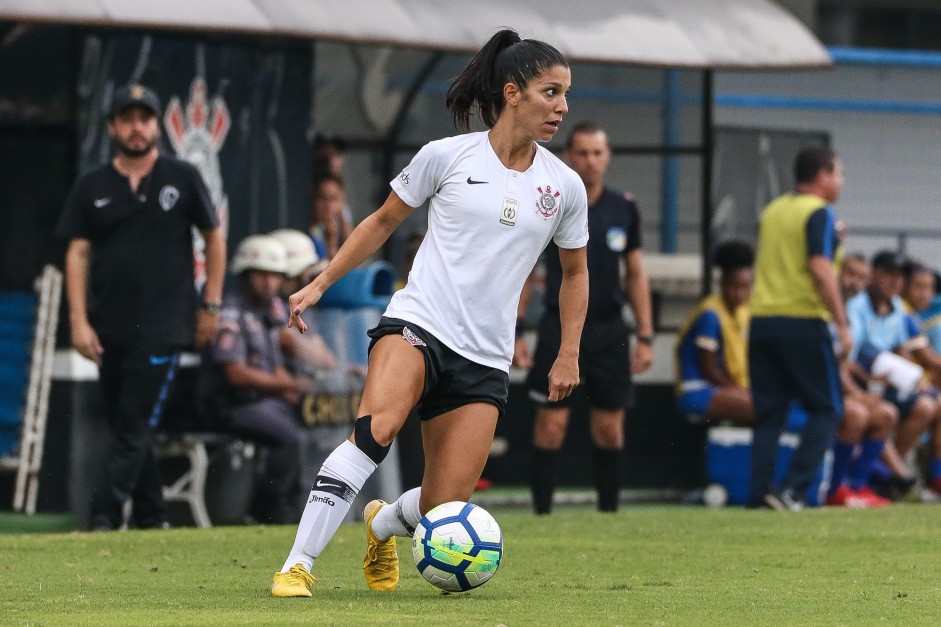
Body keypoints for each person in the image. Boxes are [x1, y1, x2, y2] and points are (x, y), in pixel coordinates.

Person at [270, 28, 588, 597]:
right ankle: (298, 564)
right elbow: (381, 222)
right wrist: (318, 284)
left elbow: (576, 272)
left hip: (485, 355)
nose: (562, 107)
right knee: (376, 431)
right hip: (418, 325)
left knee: (445, 505)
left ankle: (382, 523)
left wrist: (566, 353)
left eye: (566, 94)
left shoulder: (563, 186)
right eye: (551, 92)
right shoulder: (445, 156)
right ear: (513, 93)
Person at [56, 83, 225, 530]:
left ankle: (104, 518)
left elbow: (214, 238)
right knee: (130, 427)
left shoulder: (182, 177)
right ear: (112, 126)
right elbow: (76, 252)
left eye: (145, 118)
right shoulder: (92, 184)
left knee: (132, 425)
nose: (137, 128)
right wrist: (77, 321)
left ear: (157, 126)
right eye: (127, 119)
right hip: (107, 327)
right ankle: (152, 517)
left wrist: (211, 303)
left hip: (164, 326)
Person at [520, 121, 652, 515]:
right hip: (557, 328)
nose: (590, 161)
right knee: (550, 426)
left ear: (607, 157)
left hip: (609, 330)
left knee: (610, 429)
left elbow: (636, 274)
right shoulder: (549, 202)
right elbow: (527, 270)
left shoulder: (623, 208)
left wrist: (645, 335)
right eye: (582, 153)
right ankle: (541, 514)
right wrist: (515, 329)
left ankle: (608, 515)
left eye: (597, 153)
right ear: (567, 156)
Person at [747, 146, 851, 511]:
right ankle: (792, 489)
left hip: (761, 321)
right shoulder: (819, 211)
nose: (840, 182)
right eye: (838, 174)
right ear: (822, 176)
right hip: (802, 320)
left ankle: (759, 496)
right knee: (828, 409)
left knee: (769, 414)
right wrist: (842, 323)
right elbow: (820, 269)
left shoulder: (774, 210)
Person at [202, 235, 306, 524]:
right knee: (288, 434)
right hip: (228, 405)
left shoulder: (269, 309)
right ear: (245, 273)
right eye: (261, 274)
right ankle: (267, 506)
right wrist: (284, 386)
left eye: (275, 276)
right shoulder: (231, 309)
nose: (270, 282)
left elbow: (275, 364)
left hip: (261, 401)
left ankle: (294, 501)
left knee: (303, 421)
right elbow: (235, 374)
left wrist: (289, 386)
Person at [846, 251, 941, 496]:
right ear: (874, 274)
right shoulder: (857, 307)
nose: (895, 281)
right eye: (889, 274)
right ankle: (886, 475)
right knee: (884, 412)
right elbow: (847, 358)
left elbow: (901, 349)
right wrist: (867, 381)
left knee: (927, 405)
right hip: (861, 379)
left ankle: (888, 475)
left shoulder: (897, 307)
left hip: (885, 379)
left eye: (900, 276)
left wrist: (914, 378)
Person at [675, 240, 755, 425]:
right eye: (735, 287)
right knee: (760, 406)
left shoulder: (743, 313)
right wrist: (740, 390)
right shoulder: (710, 314)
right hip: (697, 390)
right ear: (722, 284)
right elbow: (709, 371)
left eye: (746, 287)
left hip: (724, 388)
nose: (740, 294)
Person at [310, 173, 353, 261]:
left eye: (334, 199)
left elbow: (354, 254)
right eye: (323, 198)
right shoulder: (310, 231)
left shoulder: (341, 221)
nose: (328, 206)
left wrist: (342, 220)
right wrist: (330, 238)